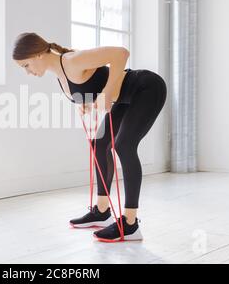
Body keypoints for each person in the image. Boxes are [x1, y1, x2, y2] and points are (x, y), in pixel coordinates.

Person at [12, 32, 167, 242]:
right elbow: (93, 80)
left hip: (147, 88)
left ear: (38, 54)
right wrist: (87, 101)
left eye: (26, 66)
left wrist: (106, 93)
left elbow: (121, 54)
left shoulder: (71, 60)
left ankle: (130, 224)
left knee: (124, 146)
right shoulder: (60, 74)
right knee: (100, 144)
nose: (27, 72)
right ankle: (102, 212)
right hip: (126, 98)